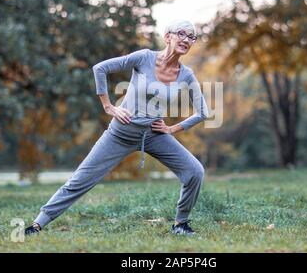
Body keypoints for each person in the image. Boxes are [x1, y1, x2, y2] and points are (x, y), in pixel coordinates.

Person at [25, 19, 209, 236]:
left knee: (194, 171)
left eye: (192, 37)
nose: (187, 40)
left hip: (154, 135)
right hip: (120, 134)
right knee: (80, 180)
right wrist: (109, 106)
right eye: (182, 33)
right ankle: (37, 225)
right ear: (167, 36)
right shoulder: (144, 58)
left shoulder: (186, 74)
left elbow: (202, 112)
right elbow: (100, 68)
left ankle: (180, 224)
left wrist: (172, 129)